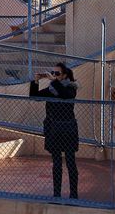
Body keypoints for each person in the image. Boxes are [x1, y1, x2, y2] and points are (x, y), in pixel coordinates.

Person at [29, 62, 79, 199]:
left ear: (64, 75)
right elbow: (35, 97)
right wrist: (36, 81)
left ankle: (73, 194)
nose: (54, 75)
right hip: (54, 130)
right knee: (56, 163)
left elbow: (65, 95)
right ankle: (56, 194)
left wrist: (53, 80)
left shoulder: (71, 87)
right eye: (53, 72)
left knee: (70, 162)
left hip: (68, 129)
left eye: (57, 73)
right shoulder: (52, 88)